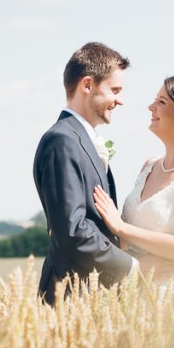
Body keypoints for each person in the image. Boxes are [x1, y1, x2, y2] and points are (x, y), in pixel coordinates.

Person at [93, 74, 174, 296]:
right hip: (131, 286)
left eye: (161, 102)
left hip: (168, 292)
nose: (151, 107)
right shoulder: (149, 165)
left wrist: (120, 227)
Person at [34, 42, 139, 305]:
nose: (120, 100)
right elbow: (71, 230)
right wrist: (129, 267)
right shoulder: (62, 140)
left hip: (94, 293)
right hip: (71, 294)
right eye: (115, 90)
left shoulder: (81, 138)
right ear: (88, 85)